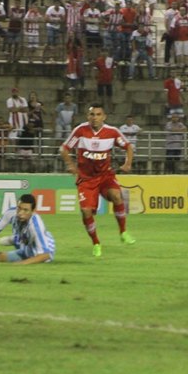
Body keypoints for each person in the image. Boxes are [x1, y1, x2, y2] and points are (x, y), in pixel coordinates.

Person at [60, 103, 136, 258]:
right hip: (86, 180)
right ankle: (96, 243)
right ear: (88, 116)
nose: (95, 118)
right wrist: (70, 164)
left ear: (104, 117)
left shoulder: (112, 132)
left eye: (98, 114)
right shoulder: (81, 130)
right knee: (86, 211)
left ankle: (123, 232)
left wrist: (128, 163)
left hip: (105, 177)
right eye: (92, 115)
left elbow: (128, 146)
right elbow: (64, 148)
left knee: (116, 196)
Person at [0, 194, 56, 265]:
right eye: (19, 208)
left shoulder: (36, 225)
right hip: (26, 248)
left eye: (25, 210)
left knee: (28, 256)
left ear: (33, 211)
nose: (20, 213)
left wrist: (21, 264)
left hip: (42, 251)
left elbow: (45, 255)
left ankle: (15, 239)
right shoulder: (11, 213)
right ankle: (17, 239)